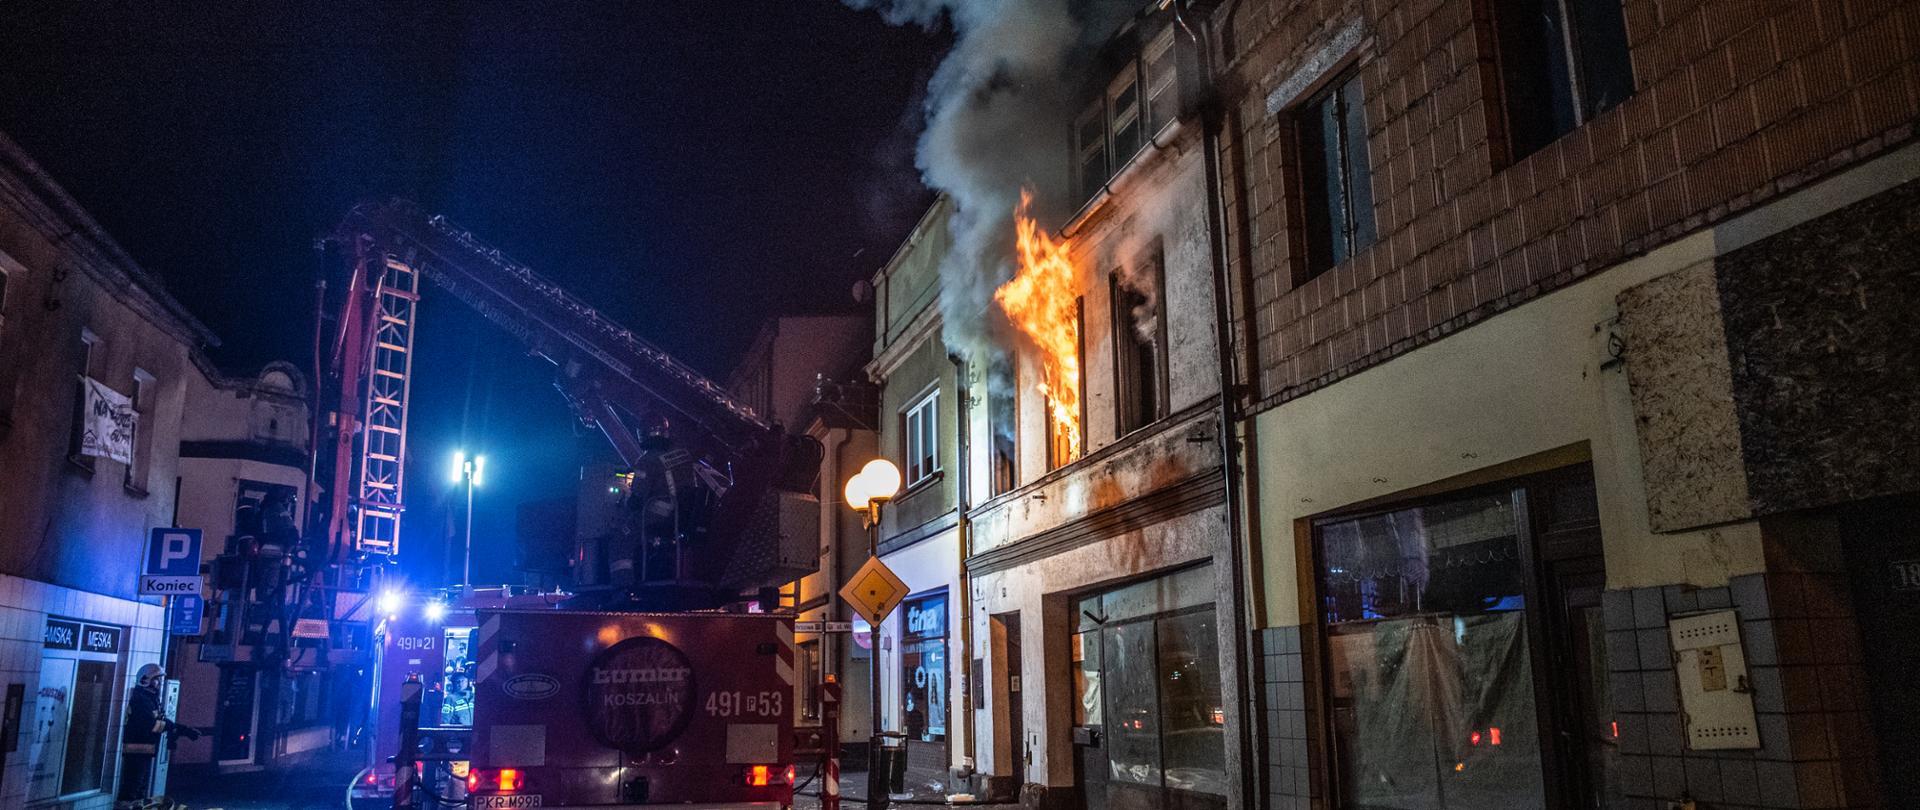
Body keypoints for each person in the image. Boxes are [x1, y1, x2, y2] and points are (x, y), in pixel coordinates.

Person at [118, 663, 199, 803]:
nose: (160, 683)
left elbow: (161, 720)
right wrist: (174, 728)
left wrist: (181, 729)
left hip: (145, 751)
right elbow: (152, 724)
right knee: (132, 789)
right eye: (157, 679)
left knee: (139, 790)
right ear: (146, 680)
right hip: (137, 751)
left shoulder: (151, 698)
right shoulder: (141, 699)